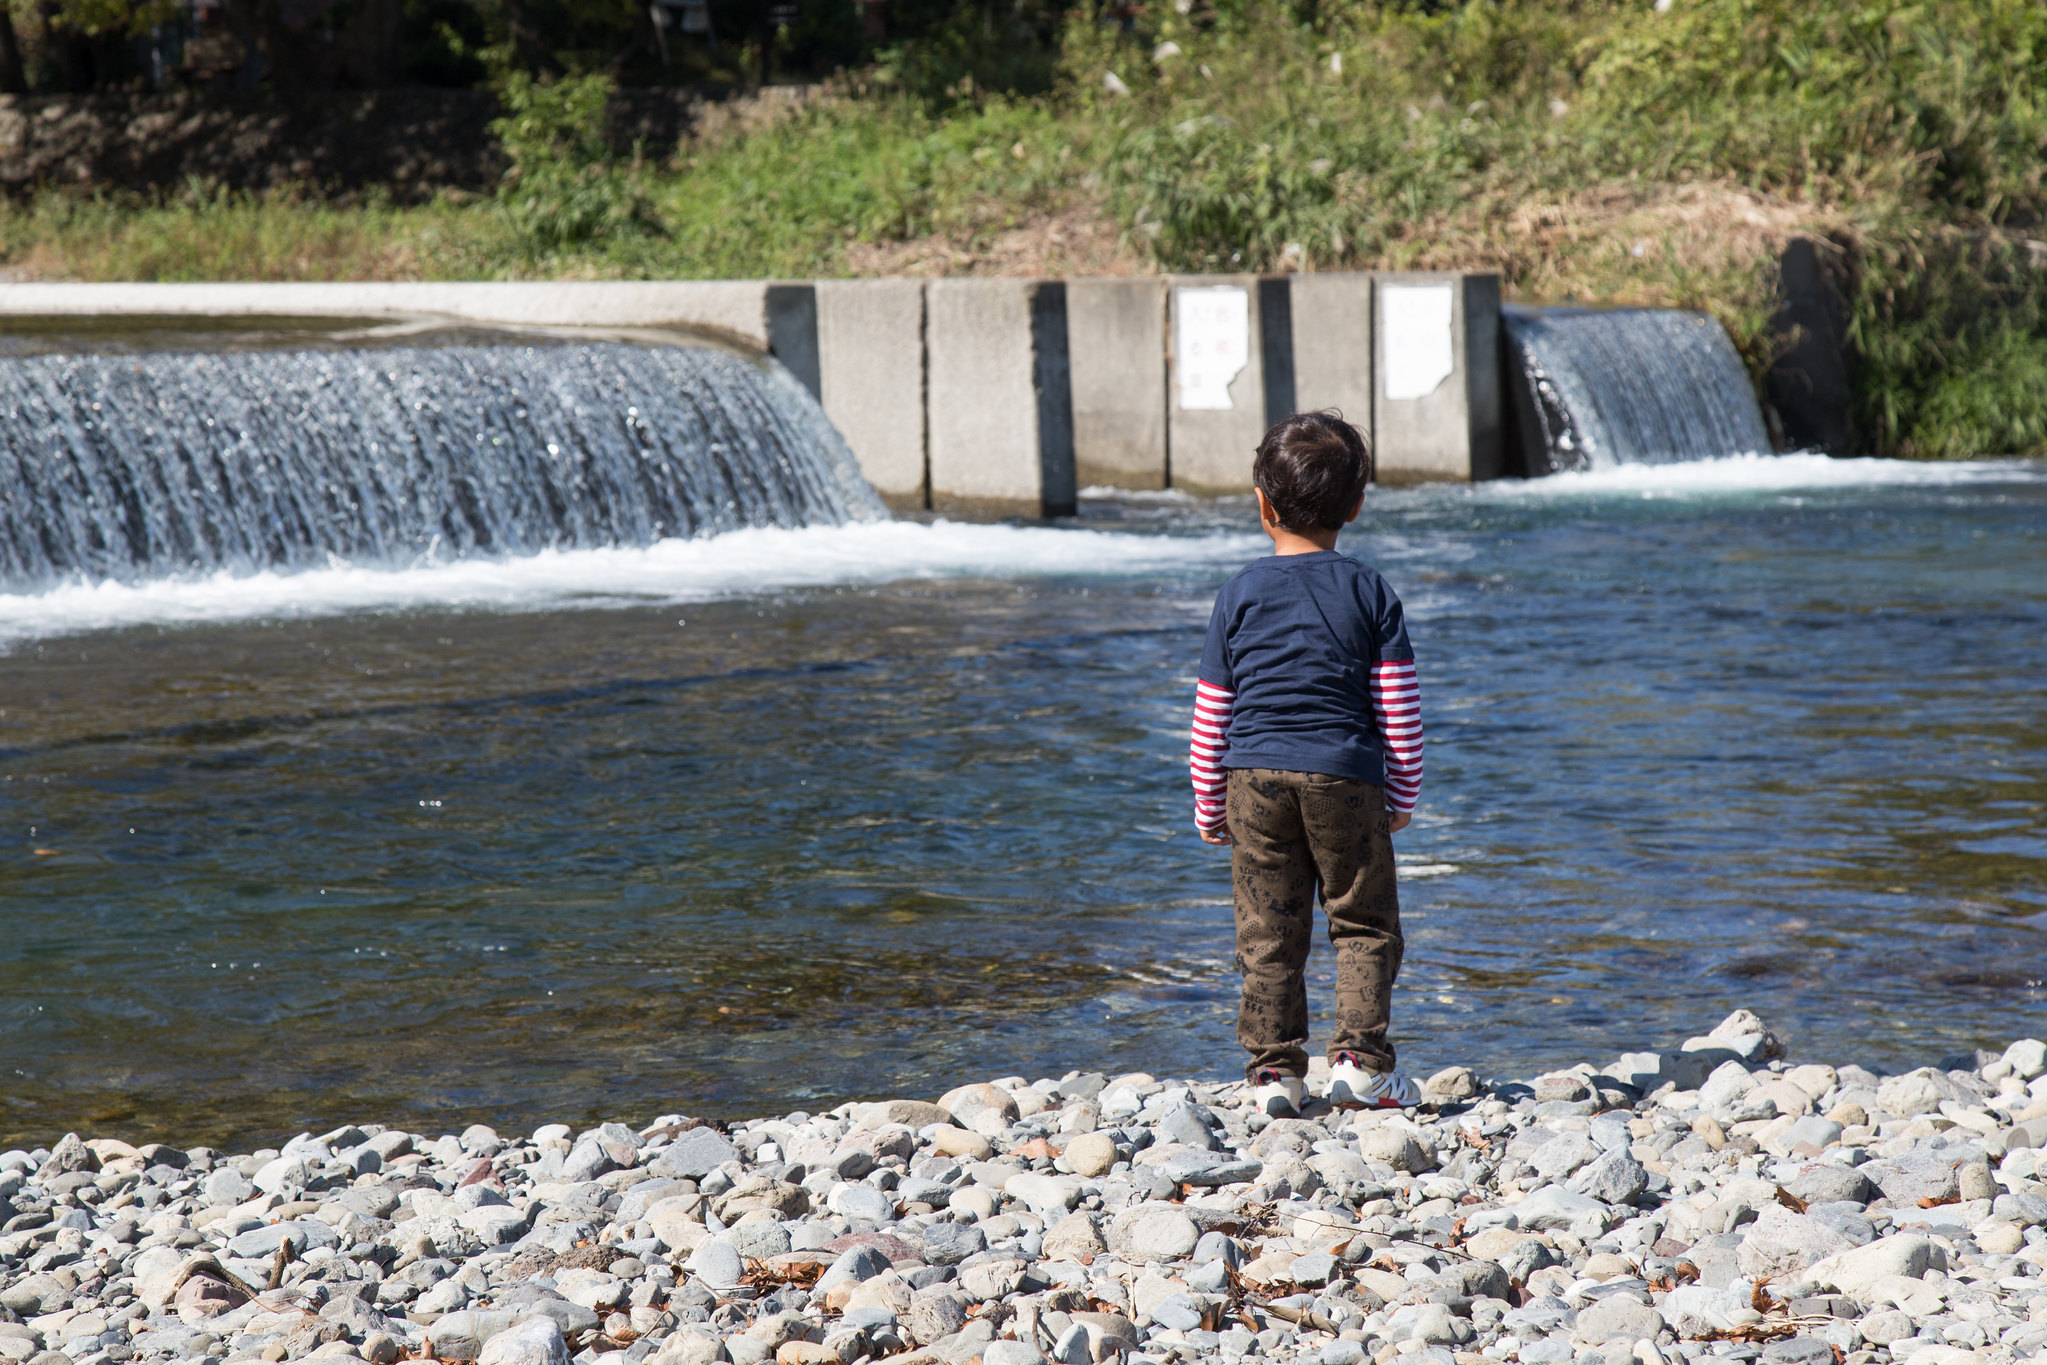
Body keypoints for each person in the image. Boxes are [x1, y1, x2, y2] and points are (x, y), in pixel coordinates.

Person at [1188, 410, 1425, 1118]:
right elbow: (1399, 711)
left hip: (1250, 776)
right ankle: (1358, 1064)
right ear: (1355, 506)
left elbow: (1210, 712)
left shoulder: (1237, 593)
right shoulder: (1370, 591)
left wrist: (1208, 802)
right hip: (1345, 773)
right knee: (1361, 922)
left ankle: (1273, 1074)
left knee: (1267, 930)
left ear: (1261, 504)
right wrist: (1402, 791)